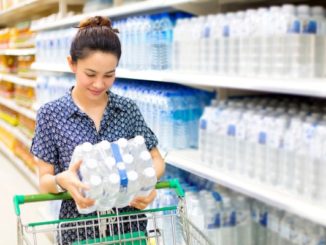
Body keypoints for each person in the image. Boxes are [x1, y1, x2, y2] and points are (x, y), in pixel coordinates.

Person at [31, 16, 165, 243]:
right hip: (80, 232)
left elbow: (155, 159)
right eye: (90, 74)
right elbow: (44, 181)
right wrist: (61, 179)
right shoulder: (51, 114)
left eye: (109, 75)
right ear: (72, 64)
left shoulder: (127, 109)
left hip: (129, 229)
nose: (99, 84)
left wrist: (147, 185)